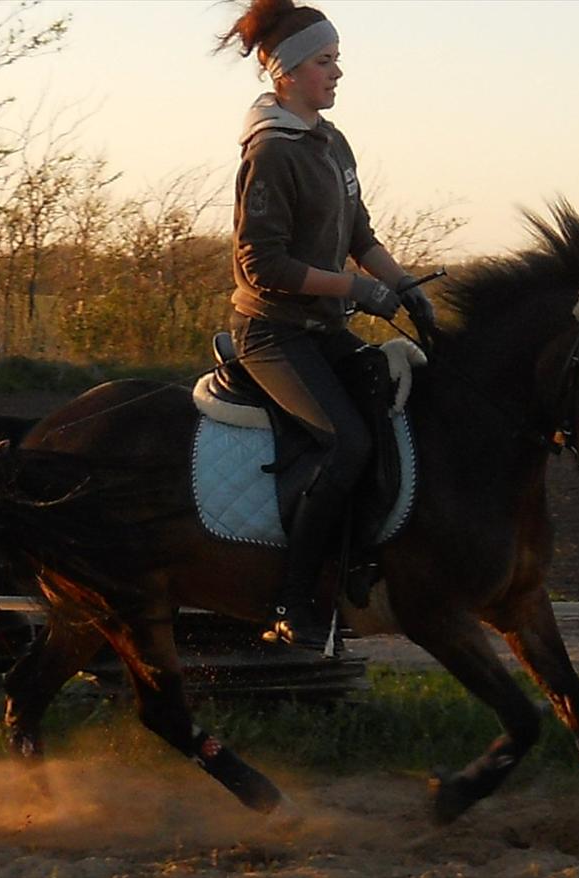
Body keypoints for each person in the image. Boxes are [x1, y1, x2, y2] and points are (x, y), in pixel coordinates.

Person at [216, 0, 434, 651]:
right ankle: (291, 601)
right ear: (286, 74)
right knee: (346, 443)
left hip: (321, 330)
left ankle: (362, 565)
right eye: (324, 62)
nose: (337, 73)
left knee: (399, 412)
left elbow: (360, 234)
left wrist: (402, 286)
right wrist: (359, 291)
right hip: (274, 334)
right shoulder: (273, 153)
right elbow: (264, 267)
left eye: (336, 60)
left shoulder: (331, 142)